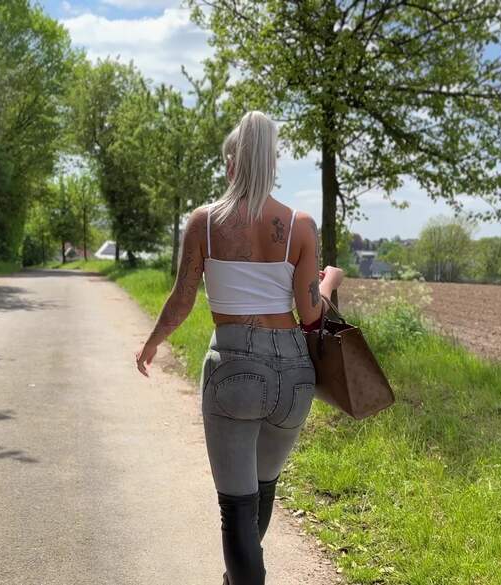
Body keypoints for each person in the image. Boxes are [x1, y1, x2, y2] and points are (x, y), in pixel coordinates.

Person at [135, 110, 344, 585]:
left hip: (234, 369)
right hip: (293, 374)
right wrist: (329, 280)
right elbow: (312, 315)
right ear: (272, 164)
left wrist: (152, 342)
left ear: (232, 162)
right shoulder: (300, 226)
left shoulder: (204, 222)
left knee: (237, 505)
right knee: (261, 490)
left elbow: (182, 298)